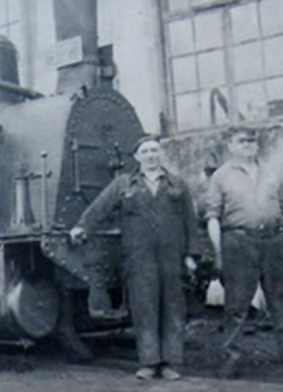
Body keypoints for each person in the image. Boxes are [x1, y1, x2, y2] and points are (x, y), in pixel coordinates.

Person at [70, 135, 198, 381]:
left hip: (172, 258)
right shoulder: (123, 184)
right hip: (139, 258)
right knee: (144, 309)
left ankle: (170, 363)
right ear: (137, 157)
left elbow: (190, 222)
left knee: (172, 309)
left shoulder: (177, 184)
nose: (151, 155)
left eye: (154, 150)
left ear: (160, 154)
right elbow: (100, 208)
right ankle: (149, 363)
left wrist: (192, 254)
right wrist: (82, 227)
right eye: (145, 151)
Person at [205, 126, 283, 378]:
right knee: (237, 308)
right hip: (238, 244)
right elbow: (212, 217)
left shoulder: (272, 172)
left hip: (273, 242)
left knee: (281, 304)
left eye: (252, 140)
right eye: (242, 141)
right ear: (230, 146)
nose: (249, 144)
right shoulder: (220, 176)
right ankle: (231, 361)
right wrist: (218, 253)